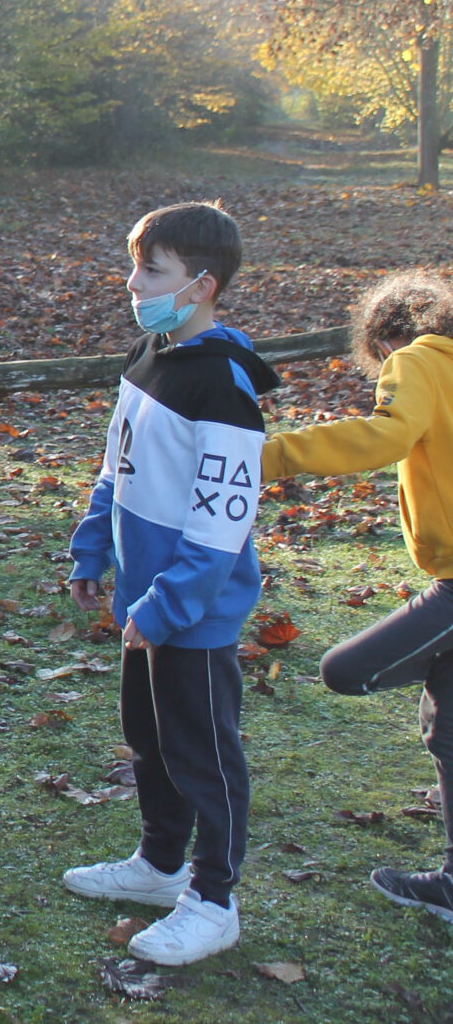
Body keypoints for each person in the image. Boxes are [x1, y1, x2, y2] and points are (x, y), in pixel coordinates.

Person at [63, 201, 277, 967]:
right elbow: (115, 466)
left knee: (203, 754)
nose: (134, 282)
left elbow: (221, 522)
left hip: (190, 614)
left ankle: (214, 899)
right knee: (150, 740)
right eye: (136, 264)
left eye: (153, 270)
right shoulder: (151, 354)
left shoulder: (225, 386)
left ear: (204, 285)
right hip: (144, 606)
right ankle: (159, 864)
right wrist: (93, 546)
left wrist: (168, 605)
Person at [261, 270, 453, 924]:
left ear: (387, 335)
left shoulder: (420, 359)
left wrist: (271, 455)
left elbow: (385, 436)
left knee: (347, 670)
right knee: (446, 727)